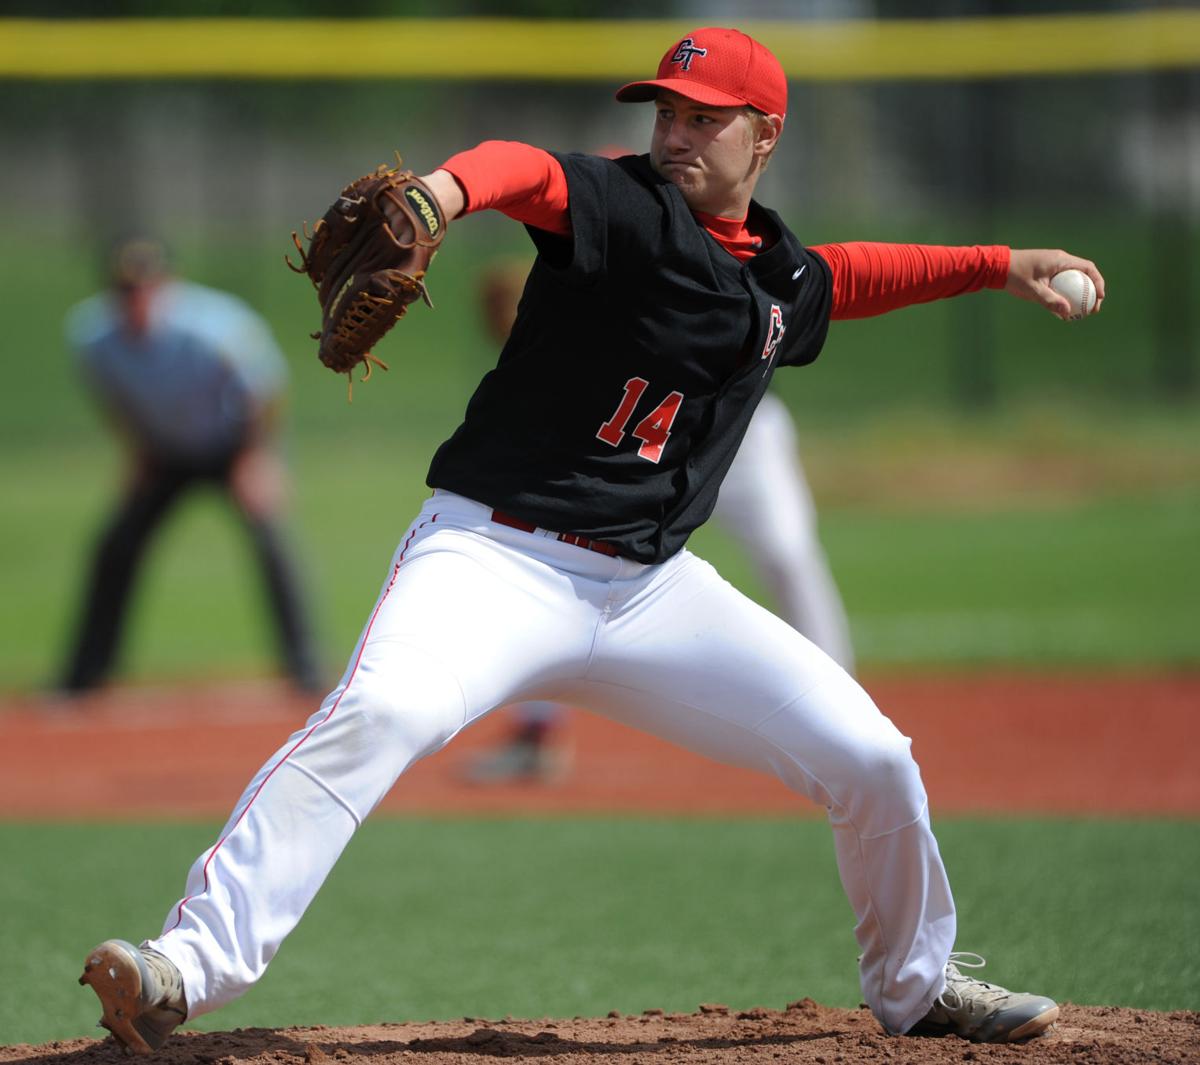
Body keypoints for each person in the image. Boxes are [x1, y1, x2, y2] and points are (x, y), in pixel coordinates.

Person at [80, 27, 1105, 1053]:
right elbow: (527, 172)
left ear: (765, 136)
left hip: (654, 593)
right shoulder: (625, 206)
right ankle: (187, 967)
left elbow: (851, 276)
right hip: (495, 560)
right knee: (381, 711)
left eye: (705, 118)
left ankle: (915, 988)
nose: (675, 134)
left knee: (873, 757)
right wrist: (442, 193)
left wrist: (999, 265)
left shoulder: (778, 277)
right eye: (667, 112)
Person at [466, 258, 853, 783]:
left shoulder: (687, 247)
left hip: (738, 423)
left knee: (787, 554)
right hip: (634, 430)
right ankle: (536, 733)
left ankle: (845, 720)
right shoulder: (606, 253)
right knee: (565, 556)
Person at [57, 238, 321, 696]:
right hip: (166, 453)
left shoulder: (213, 328)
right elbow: (113, 396)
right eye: (126, 290)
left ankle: (305, 666)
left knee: (272, 542)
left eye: (145, 288)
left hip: (232, 444)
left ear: (166, 284)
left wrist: (256, 459)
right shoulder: (93, 335)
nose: (136, 299)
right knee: (116, 545)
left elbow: (265, 390)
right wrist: (138, 450)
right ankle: (85, 674)